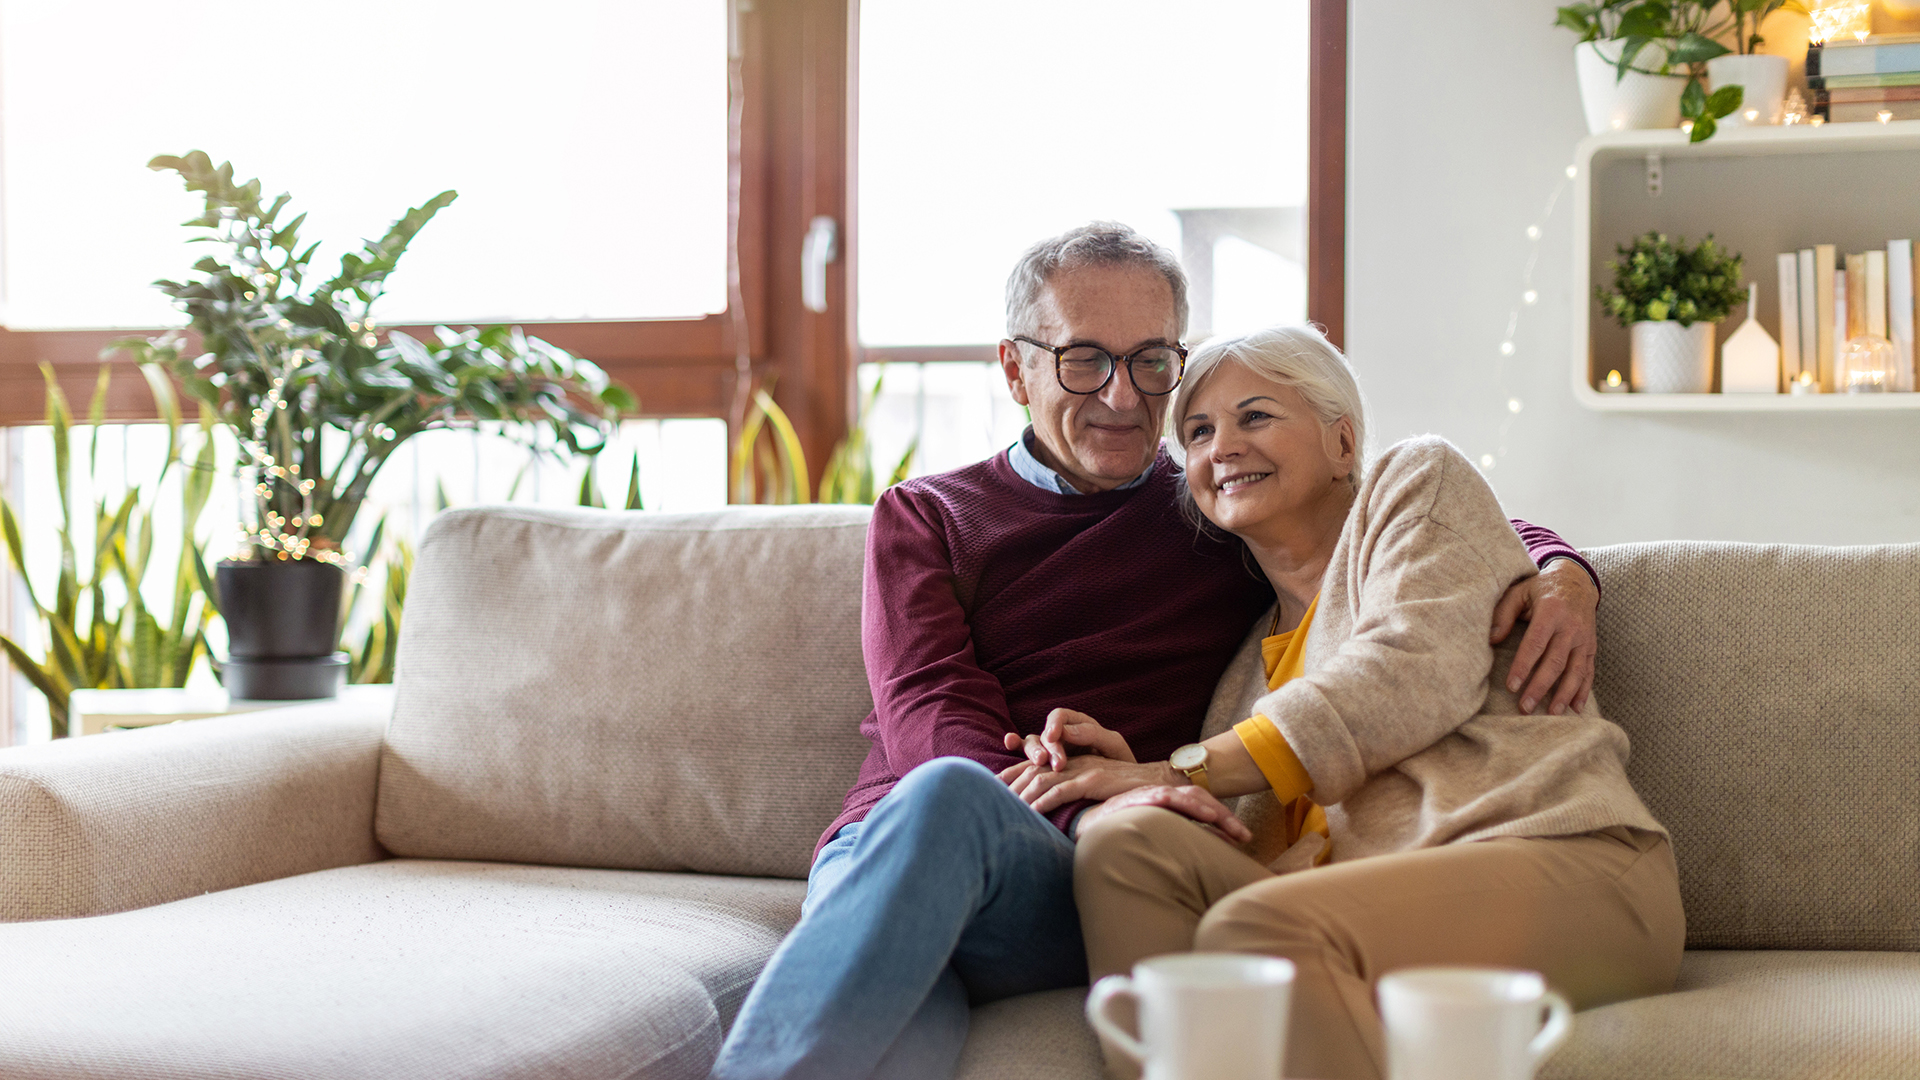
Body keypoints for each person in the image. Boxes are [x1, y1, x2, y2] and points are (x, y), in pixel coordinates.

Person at [708, 224, 1604, 1080]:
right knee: (937, 853)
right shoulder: (928, 515)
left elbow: (1400, 519)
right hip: (920, 839)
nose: (1123, 396)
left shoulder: (1218, 503)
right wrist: (1084, 811)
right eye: (1084, 358)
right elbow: (927, 713)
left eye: (1150, 361)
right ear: (1016, 371)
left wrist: (1564, 572)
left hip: (1094, 874)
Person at [1004, 325, 1683, 1080]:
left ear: (1342, 443)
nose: (1221, 445)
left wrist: (1182, 770)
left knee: (1261, 932)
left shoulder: (1416, 486)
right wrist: (1154, 793)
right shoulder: (1240, 679)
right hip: (1363, 910)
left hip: (1567, 864)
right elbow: (1262, 842)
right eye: (1198, 432)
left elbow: (1405, 674)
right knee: (1125, 844)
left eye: (1255, 416)